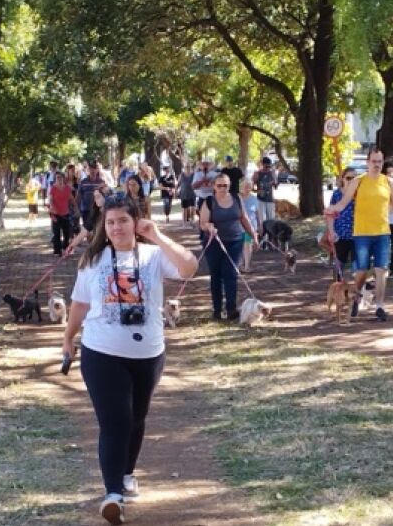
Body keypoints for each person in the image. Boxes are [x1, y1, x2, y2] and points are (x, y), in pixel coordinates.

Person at [62, 194, 198, 524]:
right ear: (103, 226)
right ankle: (113, 494)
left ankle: (125, 474)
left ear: (135, 222)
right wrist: (67, 339)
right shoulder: (92, 261)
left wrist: (157, 235)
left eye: (123, 220)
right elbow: (80, 304)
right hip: (101, 352)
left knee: (136, 418)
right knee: (115, 421)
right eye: (110, 222)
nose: (117, 227)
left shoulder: (153, 255)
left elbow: (189, 268)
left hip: (148, 352)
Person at [326, 148, 393, 322]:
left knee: (381, 270)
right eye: (374, 161)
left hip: (382, 233)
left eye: (379, 161)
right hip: (362, 234)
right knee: (361, 272)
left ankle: (379, 306)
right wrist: (331, 210)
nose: (377, 165)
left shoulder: (388, 182)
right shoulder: (358, 181)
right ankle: (356, 298)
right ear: (368, 162)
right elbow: (343, 203)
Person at [199, 173, 258, 320]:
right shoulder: (209, 202)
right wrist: (209, 226)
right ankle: (217, 310)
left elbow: (243, 218)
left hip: (235, 241)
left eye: (225, 185)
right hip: (214, 243)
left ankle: (231, 309)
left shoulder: (237, 199)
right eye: (219, 185)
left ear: (229, 185)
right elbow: (202, 223)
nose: (222, 188)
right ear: (214, 186)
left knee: (231, 273)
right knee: (216, 275)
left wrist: (253, 234)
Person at [324, 167, 358, 281]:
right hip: (340, 234)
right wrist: (332, 231)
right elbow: (330, 214)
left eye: (354, 178)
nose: (351, 181)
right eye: (348, 178)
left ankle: (357, 292)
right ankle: (336, 290)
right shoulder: (337, 194)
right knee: (339, 266)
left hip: (357, 235)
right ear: (342, 179)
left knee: (357, 267)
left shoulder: (359, 194)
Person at [66, 185, 111, 255]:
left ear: (106, 196)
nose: (96, 199)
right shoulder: (95, 214)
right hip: (100, 248)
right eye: (95, 197)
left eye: (98, 196)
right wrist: (72, 245)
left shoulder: (113, 213)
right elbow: (84, 232)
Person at [48, 172, 77, 256]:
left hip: (65, 213)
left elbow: (71, 198)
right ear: (55, 179)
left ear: (63, 178)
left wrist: (76, 208)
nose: (59, 179)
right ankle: (57, 250)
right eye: (57, 177)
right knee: (56, 233)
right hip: (56, 214)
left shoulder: (67, 188)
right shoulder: (53, 188)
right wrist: (52, 207)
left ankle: (65, 248)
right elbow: (50, 199)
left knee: (67, 233)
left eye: (60, 177)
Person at [251, 157, 277, 232]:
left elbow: (275, 186)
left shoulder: (272, 173)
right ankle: (263, 237)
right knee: (261, 220)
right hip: (260, 199)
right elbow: (252, 188)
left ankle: (271, 237)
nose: (268, 168)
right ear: (262, 164)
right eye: (266, 166)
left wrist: (274, 177)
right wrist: (257, 191)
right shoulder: (257, 173)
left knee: (271, 219)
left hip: (270, 199)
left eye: (269, 166)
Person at [240, 180, 259, 272]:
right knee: (239, 245)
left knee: (248, 245)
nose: (247, 188)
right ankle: (240, 264)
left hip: (251, 226)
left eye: (249, 186)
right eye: (245, 186)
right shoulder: (238, 198)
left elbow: (257, 213)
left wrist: (260, 225)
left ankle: (247, 266)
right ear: (241, 187)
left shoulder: (254, 199)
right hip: (239, 226)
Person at [178, 163, 196, 228]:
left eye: (189, 166)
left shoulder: (193, 174)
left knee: (192, 208)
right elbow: (178, 184)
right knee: (184, 209)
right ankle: (184, 223)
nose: (187, 168)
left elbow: (196, 183)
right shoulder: (181, 175)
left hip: (192, 194)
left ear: (191, 167)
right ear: (184, 167)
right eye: (186, 167)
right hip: (184, 194)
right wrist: (175, 191)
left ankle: (192, 221)